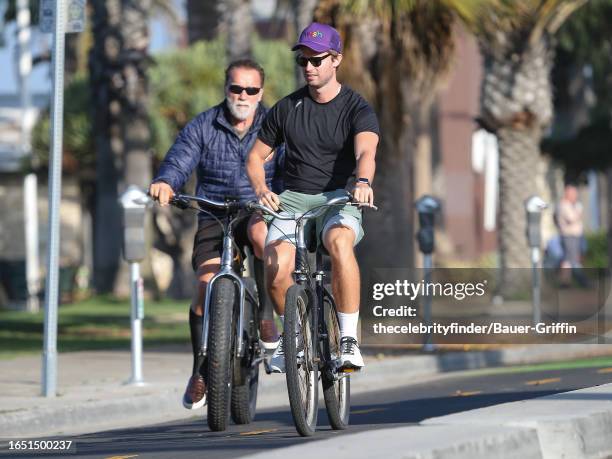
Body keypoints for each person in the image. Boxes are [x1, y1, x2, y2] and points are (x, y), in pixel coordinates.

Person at [149, 59, 284, 410]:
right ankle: (201, 373)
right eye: (236, 88)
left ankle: (265, 319)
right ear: (226, 90)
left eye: (250, 90)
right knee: (205, 284)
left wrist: (283, 198)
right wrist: (166, 181)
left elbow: (289, 168)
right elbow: (181, 157)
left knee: (260, 237)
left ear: (261, 93)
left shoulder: (274, 125)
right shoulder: (204, 124)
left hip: (257, 208)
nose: (242, 95)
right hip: (213, 211)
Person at [246, 23, 380, 373]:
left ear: (336, 59)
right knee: (275, 270)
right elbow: (255, 158)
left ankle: (348, 341)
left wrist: (363, 181)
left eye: (317, 59)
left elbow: (367, 152)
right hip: (292, 200)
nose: (309, 67)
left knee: (339, 242)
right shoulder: (287, 108)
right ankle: (293, 339)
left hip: (339, 197)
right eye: (303, 60)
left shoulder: (356, 108)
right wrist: (262, 189)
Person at [556, 183, 588, 286]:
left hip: (576, 235)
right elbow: (571, 218)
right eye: (573, 194)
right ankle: (578, 280)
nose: (575, 196)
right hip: (569, 236)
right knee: (571, 259)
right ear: (568, 194)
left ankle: (566, 282)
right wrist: (578, 211)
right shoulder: (564, 205)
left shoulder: (571, 205)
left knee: (569, 259)